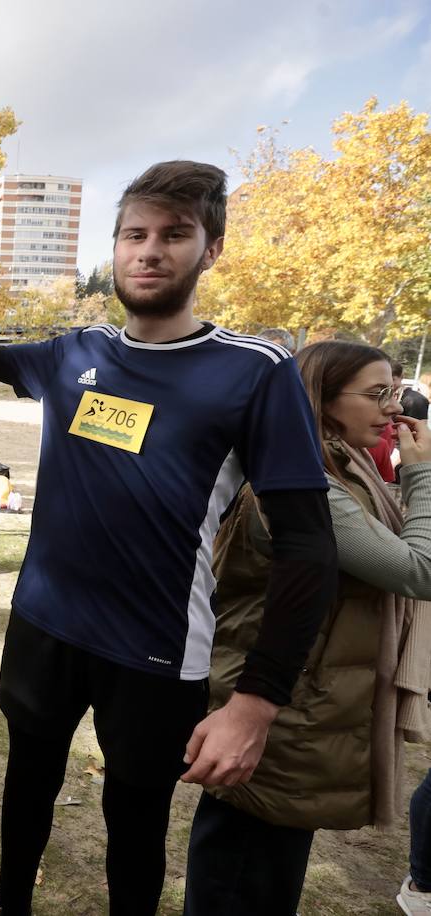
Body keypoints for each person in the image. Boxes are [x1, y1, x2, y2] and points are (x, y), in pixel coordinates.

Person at [0, 161, 338, 916]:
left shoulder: (255, 371)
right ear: (115, 248)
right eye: (134, 235)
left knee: (134, 826)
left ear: (211, 249)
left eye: (175, 235)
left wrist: (257, 702)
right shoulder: (78, 351)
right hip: (45, 624)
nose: (149, 251)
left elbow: (308, 546)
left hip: (154, 650)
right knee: (27, 787)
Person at [184, 341, 431, 914]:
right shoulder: (312, 484)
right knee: (246, 874)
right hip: (285, 710)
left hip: (303, 708)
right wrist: (422, 477)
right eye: (376, 395)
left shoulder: (346, 466)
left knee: (265, 868)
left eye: (393, 392)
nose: (392, 409)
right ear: (320, 399)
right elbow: (418, 569)